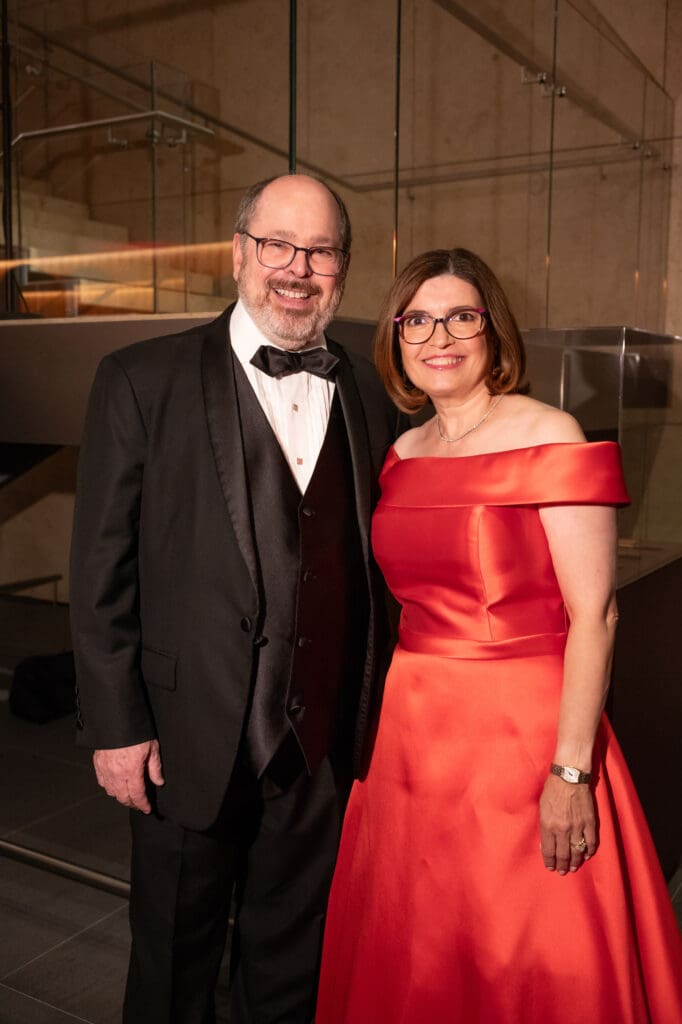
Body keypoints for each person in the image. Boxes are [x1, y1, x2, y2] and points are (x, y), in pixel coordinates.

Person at [69, 173, 404, 1024]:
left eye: (321, 250)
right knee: (174, 963)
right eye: (277, 245)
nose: (298, 268)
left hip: (320, 745)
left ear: (344, 265)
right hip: (183, 740)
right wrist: (116, 724)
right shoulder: (140, 379)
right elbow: (100, 570)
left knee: (290, 966)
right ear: (238, 253)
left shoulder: (370, 393)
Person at [316, 247, 682, 1023]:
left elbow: (597, 615)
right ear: (396, 336)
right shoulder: (402, 453)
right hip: (413, 736)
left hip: (523, 736)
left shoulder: (550, 432)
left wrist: (571, 774)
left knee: (529, 941)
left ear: (493, 331)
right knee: (425, 939)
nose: (438, 335)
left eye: (461, 315)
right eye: (417, 318)